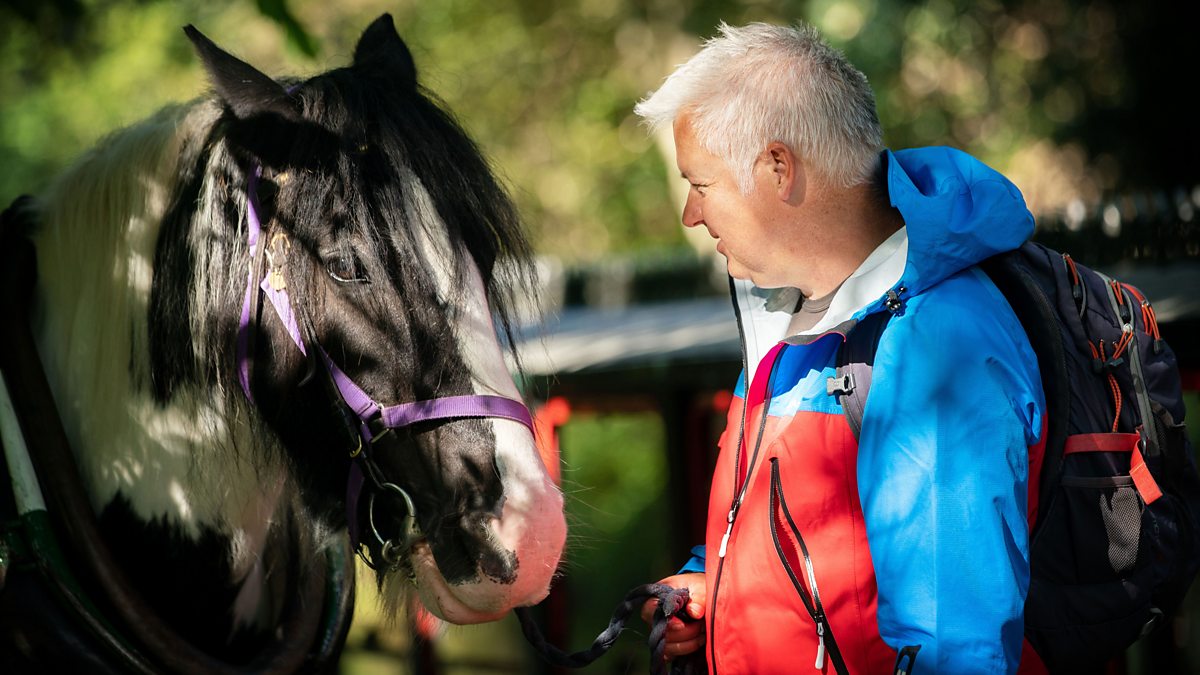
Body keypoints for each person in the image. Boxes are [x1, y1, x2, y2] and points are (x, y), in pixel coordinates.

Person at [633, 22, 1046, 674]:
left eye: (701, 183)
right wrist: (715, 584)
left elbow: (956, 647)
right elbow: (815, 539)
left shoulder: (938, 343)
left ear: (778, 167)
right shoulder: (790, 318)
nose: (690, 213)